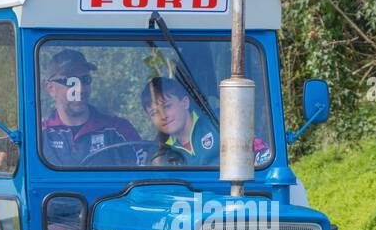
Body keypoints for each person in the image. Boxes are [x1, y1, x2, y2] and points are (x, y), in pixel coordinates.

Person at [38, 49, 140, 165]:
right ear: (51, 88)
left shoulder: (118, 129)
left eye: (85, 80)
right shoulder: (38, 135)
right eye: (71, 82)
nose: (80, 89)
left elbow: (147, 170)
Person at [140, 77, 271, 167]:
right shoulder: (160, 154)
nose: (163, 116)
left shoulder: (219, 122)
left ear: (185, 103)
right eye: (154, 113)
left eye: (167, 106)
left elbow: (263, 156)